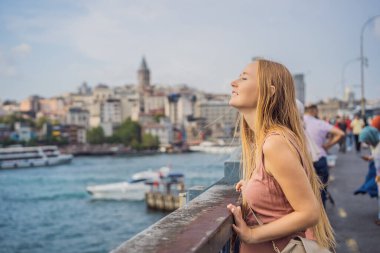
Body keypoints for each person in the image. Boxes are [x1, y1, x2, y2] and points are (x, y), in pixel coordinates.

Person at [226, 59, 335, 252]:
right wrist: (253, 186)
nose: (233, 83)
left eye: (243, 78)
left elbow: (309, 213)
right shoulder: (270, 140)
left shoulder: (275, 143)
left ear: (270, 90)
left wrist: (252, 235)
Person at [304, 105, 344, 207]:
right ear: (315, 111)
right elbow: (340, 133)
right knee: (321, 189)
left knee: (305, 191)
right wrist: (327, 145)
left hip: (304, 158)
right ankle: (321, 216)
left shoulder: (298, 122)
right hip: (319, 157)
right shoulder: (319, 123)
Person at [358, 126, 380, 225]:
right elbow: (376, 156)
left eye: (367, 141)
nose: (367, 143)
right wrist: (370, 158)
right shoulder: (374, 145)